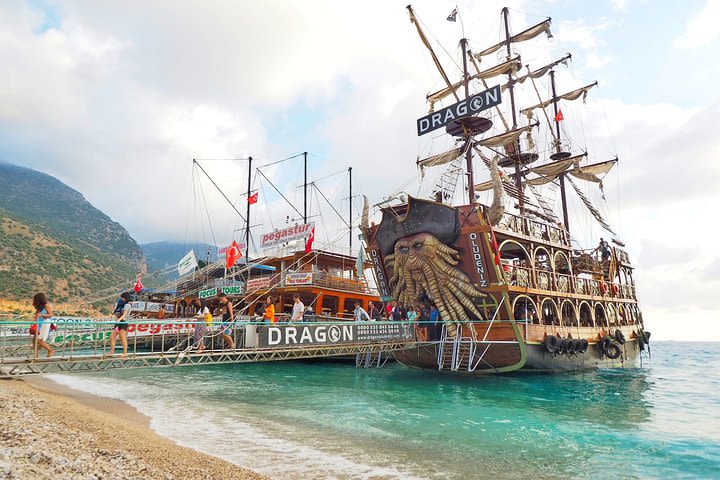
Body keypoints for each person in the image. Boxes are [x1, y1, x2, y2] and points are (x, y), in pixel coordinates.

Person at [30, 292, 55, 358]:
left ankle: (50, 350)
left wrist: (41, 315)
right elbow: (38, 315)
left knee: (38, 340)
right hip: (39, 323)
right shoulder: (40, 307)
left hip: (44, 324)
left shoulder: (46, 305)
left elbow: (50, 315)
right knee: (34, 339)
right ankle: (36, 355)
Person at [109, 292, 132, 357]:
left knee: (122, 338)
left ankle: (125, 353)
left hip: (123, 323)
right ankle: (111, 352)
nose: (121, 299)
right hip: (118, 323)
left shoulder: (127, 305)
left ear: (125, 298)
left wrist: (119, 320)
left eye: (123, 297)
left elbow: (125, 314)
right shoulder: (120, 304)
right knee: (112, 337)